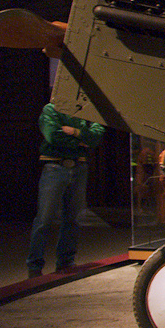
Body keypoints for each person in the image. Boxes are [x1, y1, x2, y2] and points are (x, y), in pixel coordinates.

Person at [27, 103, 105, 277]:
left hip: (78, 167)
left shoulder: (87, 110)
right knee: (44, 218)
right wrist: (82, 140)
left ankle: (66, 262)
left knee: (73, 218)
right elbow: (53, 136)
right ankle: (34, 265)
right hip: (55, 166)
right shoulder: (50, 109)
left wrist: (75, 132)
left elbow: (97, 137)